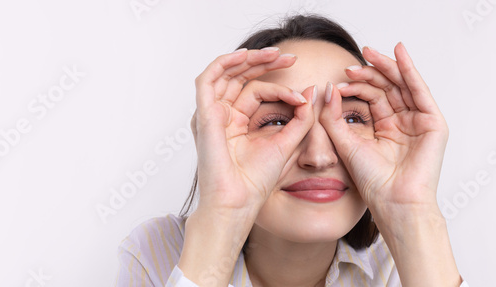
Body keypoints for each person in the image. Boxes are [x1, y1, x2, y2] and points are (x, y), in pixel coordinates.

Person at [115, 15, 467, 287]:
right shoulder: (159, 250)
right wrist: (222, 215)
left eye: (352, 117)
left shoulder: (401, 265)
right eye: (278, 122)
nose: (318, 157)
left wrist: (414, 215)